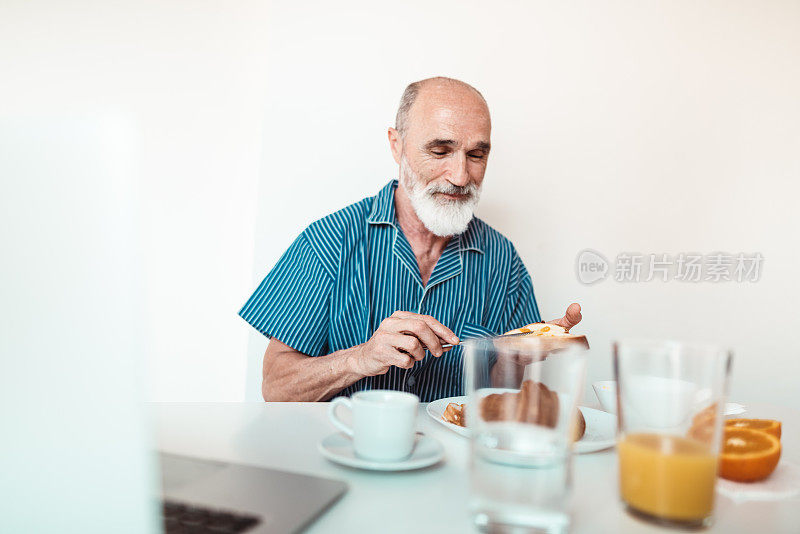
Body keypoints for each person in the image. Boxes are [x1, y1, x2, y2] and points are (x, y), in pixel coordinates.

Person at [239, 77, 582, 402]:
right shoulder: (328, 241)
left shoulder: (503, 261)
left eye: (476, 155)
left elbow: (499, 400)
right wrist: (361, 358)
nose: (460, 176)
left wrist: (511, 361)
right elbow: (276, 388)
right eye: (440, 150)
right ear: (396, 144)